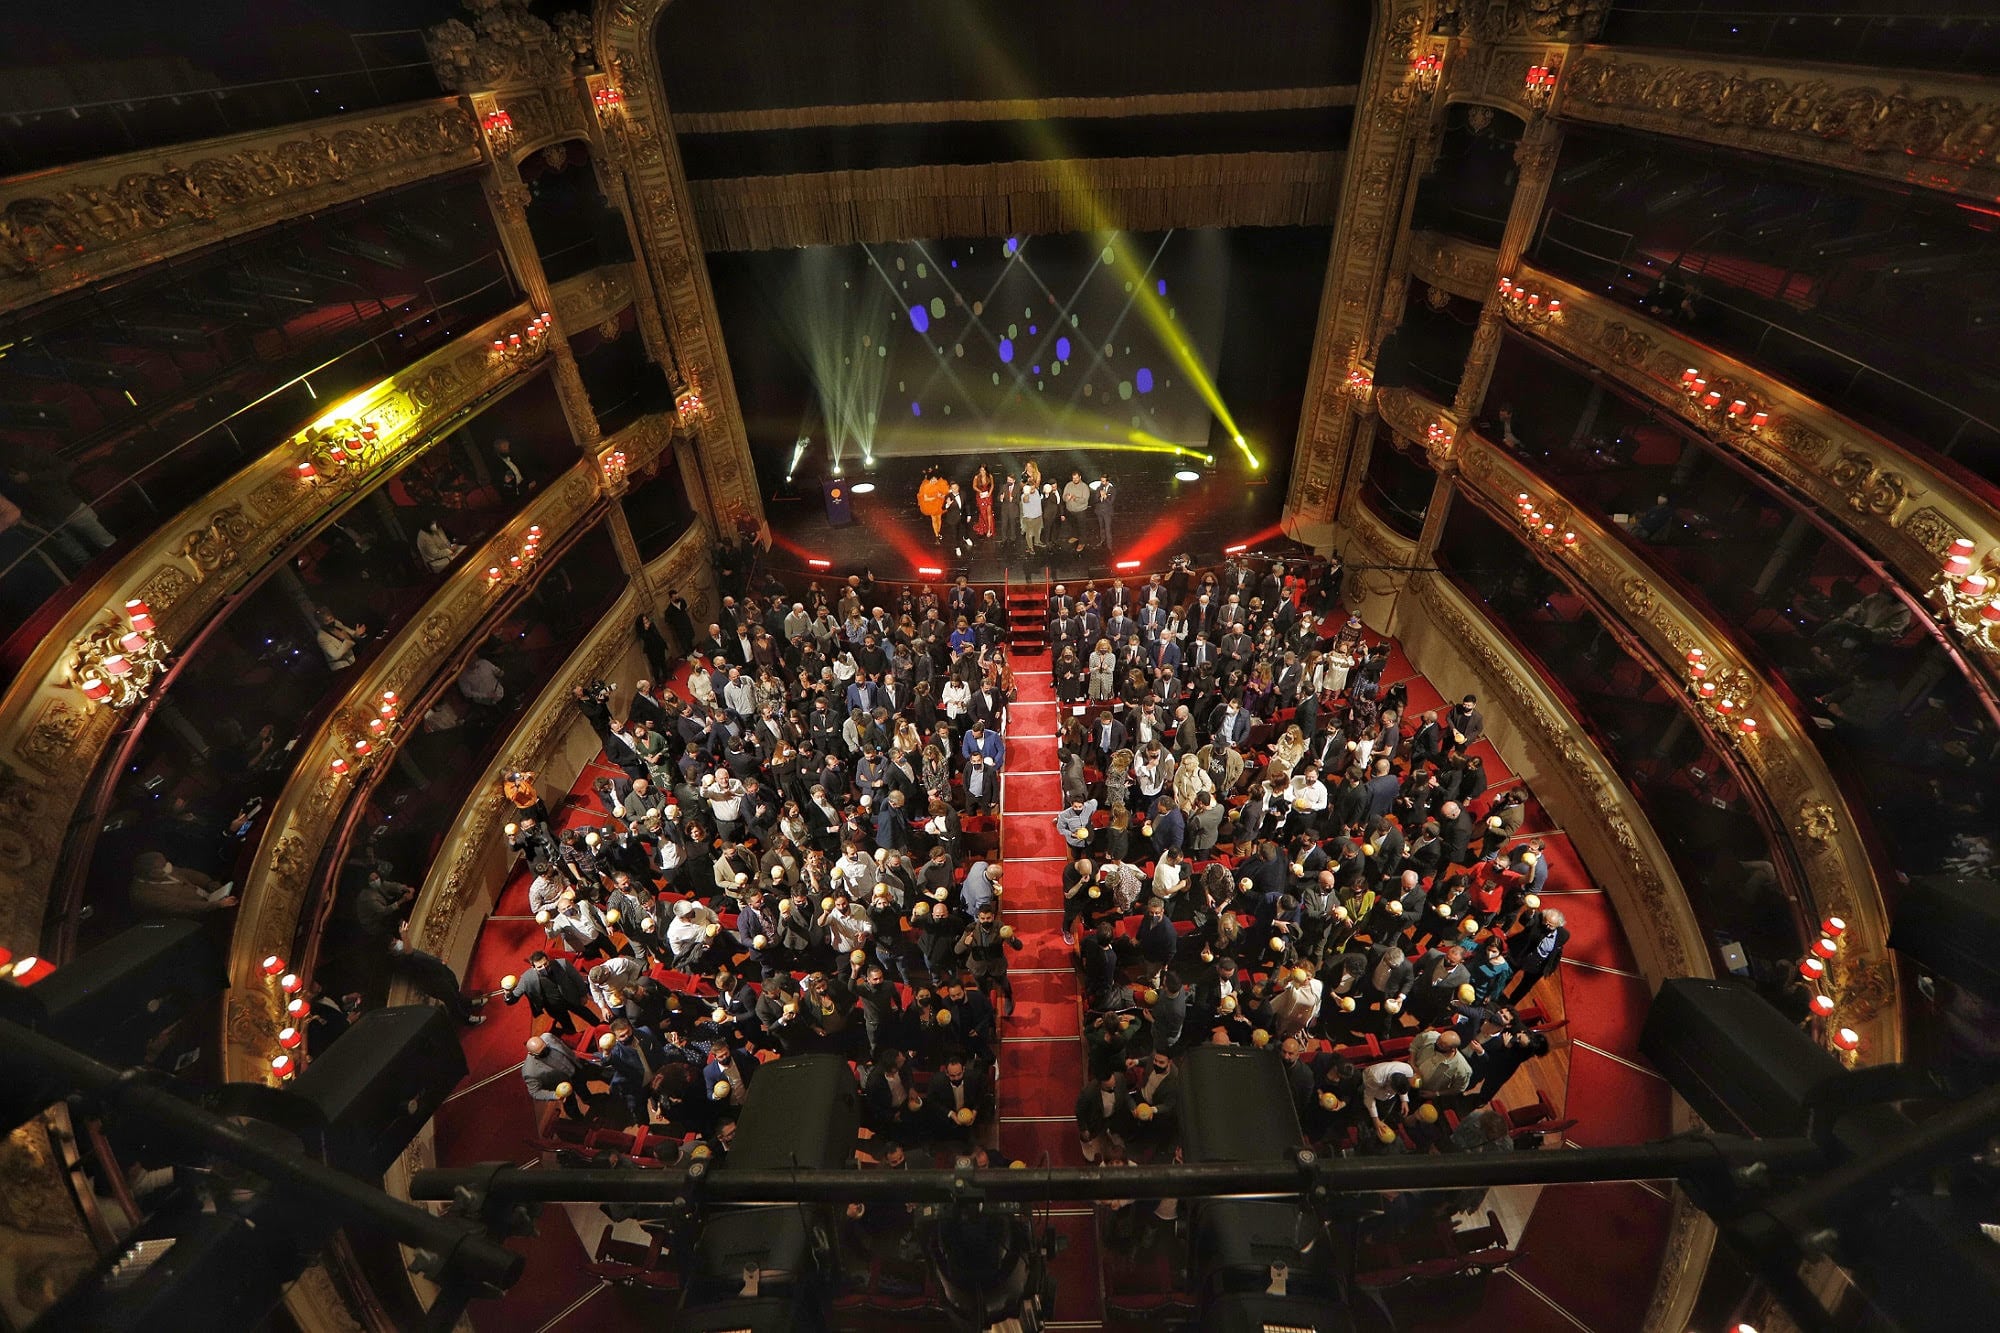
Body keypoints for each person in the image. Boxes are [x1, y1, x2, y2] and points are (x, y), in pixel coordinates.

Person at [918, 468, 949, 540]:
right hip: (930, 505)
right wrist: (935, 497)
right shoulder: (926, 486)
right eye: (933, 479)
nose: (934, 480)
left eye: (936, 479)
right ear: (930, 479)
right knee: (934, 519)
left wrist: (941, 496)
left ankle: (938, 532)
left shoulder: (939, 484)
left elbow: (944, 495)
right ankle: (937, 535)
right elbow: (926, 499)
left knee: (939, 519)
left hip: (939, 504)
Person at [972, 465, 995, 539]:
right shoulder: (976, 477)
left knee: (989, 512)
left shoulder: (989, 476)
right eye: (981, 470)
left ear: (986, 470)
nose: (982, 472)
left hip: (988, 496)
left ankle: (989, 529)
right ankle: (984, 527)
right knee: (983, 513)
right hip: (980, 496)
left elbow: (992, 485)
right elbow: (974, 486)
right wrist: (980, 491)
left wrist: (989, 493)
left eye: (984, 470)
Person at [1093, 473, 1115, 549]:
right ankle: (1102, 541)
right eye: (1101, 481)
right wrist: (1100, 497)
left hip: (1107, 512)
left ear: (1107, 482)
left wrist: (1105, 497)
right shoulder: (1099, 488)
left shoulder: (1112, 490)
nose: (1102, 483)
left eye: (1103, 481)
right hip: (1099, 511)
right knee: (1101, 527)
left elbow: (1111, 502)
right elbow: (1095, 500)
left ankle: (1109, 546)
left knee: (1107, 529)